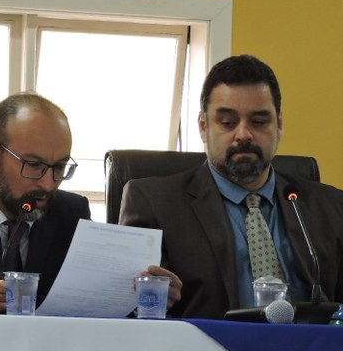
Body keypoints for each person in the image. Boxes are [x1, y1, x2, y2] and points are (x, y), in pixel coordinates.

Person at [0, 92, 181, 313]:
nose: (48, 184)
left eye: (60, 167)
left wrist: (141, 297)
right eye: (33, 165)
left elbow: (94, 300)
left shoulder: (71, 214)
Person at [119, 54, 343, 319]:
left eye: (258, 122)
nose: (243, 135)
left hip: (312, 345)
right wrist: (152, 298)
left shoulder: (330, 206)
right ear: (203, 126)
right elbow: (129, 310)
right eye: (227, 122)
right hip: (207, 345)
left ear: (280, 124)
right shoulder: (154, 202)